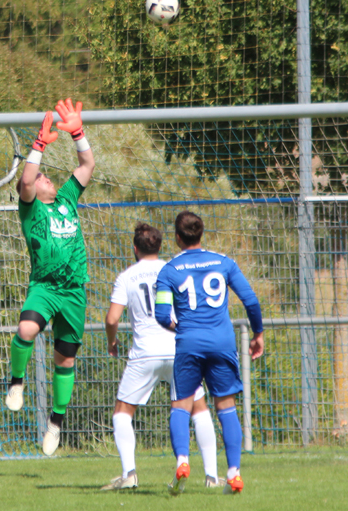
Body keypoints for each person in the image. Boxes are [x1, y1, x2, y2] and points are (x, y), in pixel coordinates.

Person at [5, 98, 95, 456]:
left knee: (65, 360)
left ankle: (55, 423)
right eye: (43, 178)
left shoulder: (67, 199)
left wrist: (78, 134)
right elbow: (27, 179)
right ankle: (16, 383)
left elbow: (87, 165)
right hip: (45, 287)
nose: (46, 178)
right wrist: (38, 145)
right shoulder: (31, 210)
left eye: (46, 176)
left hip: (73, 290)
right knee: (27, 329)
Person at [102, 223, 222, 490]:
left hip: (145, 353)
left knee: (122, 412)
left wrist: (112, 342)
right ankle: (212, 477)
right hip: (180, 349)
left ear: (135, 248)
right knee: (199, 409)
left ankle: (129, 474)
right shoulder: (175, 269)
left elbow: (111, 319)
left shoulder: (127, 277)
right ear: (160, 246)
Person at [155, 211, 264, 495]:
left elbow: (162, 314)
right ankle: (234, 474)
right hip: (222, 343)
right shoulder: (224, 262)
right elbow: (251, 301)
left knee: (181, 405)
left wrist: (181, 327)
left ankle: (182, 461)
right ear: (201, 234)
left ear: (177, 238)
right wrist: (258, 334)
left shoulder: (169, 270)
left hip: (189, 344)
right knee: (226, 406)